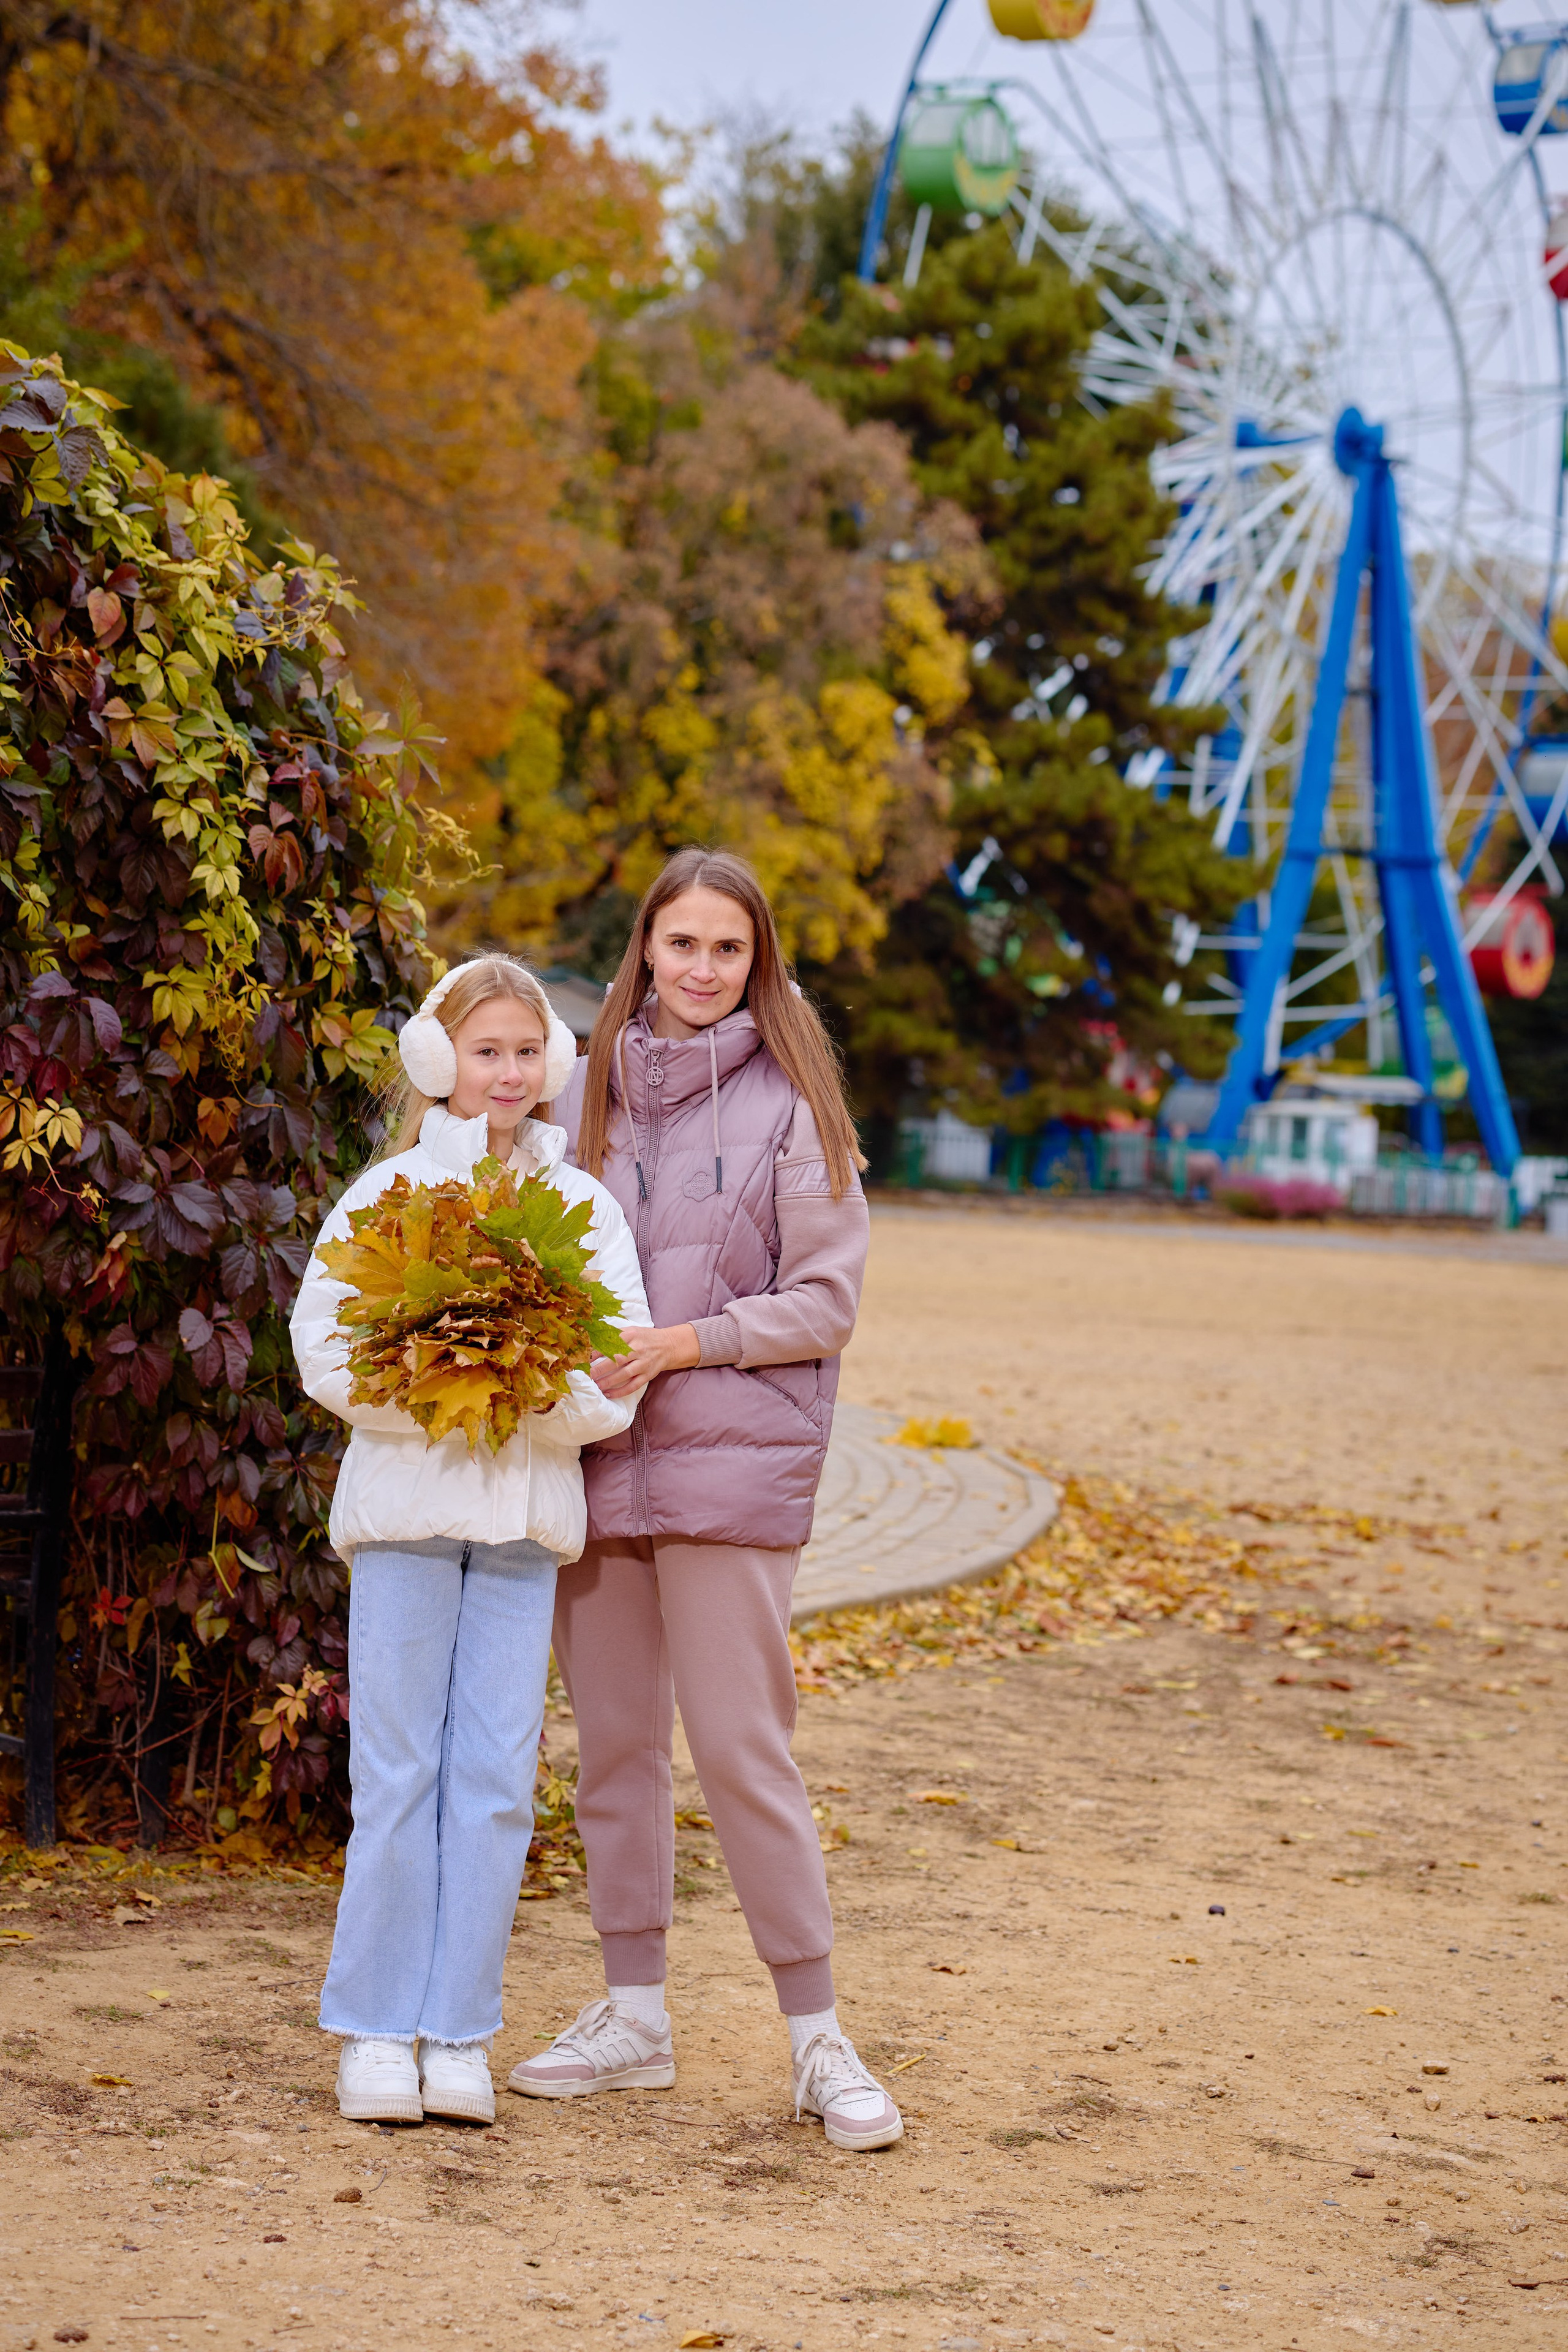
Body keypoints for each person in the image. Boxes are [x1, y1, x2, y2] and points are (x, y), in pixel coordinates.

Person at [507, 850, 903, 2152]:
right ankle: (633, 2017)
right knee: (613, 1751)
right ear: (643, 950)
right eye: (678, 943)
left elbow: (825, 1302)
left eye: (725, 949)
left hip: (729, 1460)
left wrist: (687, 1344)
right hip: (595, 1460)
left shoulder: (797, 1109)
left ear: (757, 963)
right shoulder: (577, 1105)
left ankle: (817, 2040)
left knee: (742, 1750)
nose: (699, 968)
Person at [290, 955, 648, 2127]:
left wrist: (526, 1395)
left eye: (526, 1051)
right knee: (399, 1771)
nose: (507, 1072)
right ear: (441, 1062)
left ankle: (458, 2029)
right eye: (485, 1051)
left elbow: (619, 1370)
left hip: (520, 1525)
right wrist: (452, 1384)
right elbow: (328, 1353)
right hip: (405, 1516)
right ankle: (377, 2028)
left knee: (493, 1780)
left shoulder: (585, 1207)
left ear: (554, 1064)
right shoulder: (387, 1194)